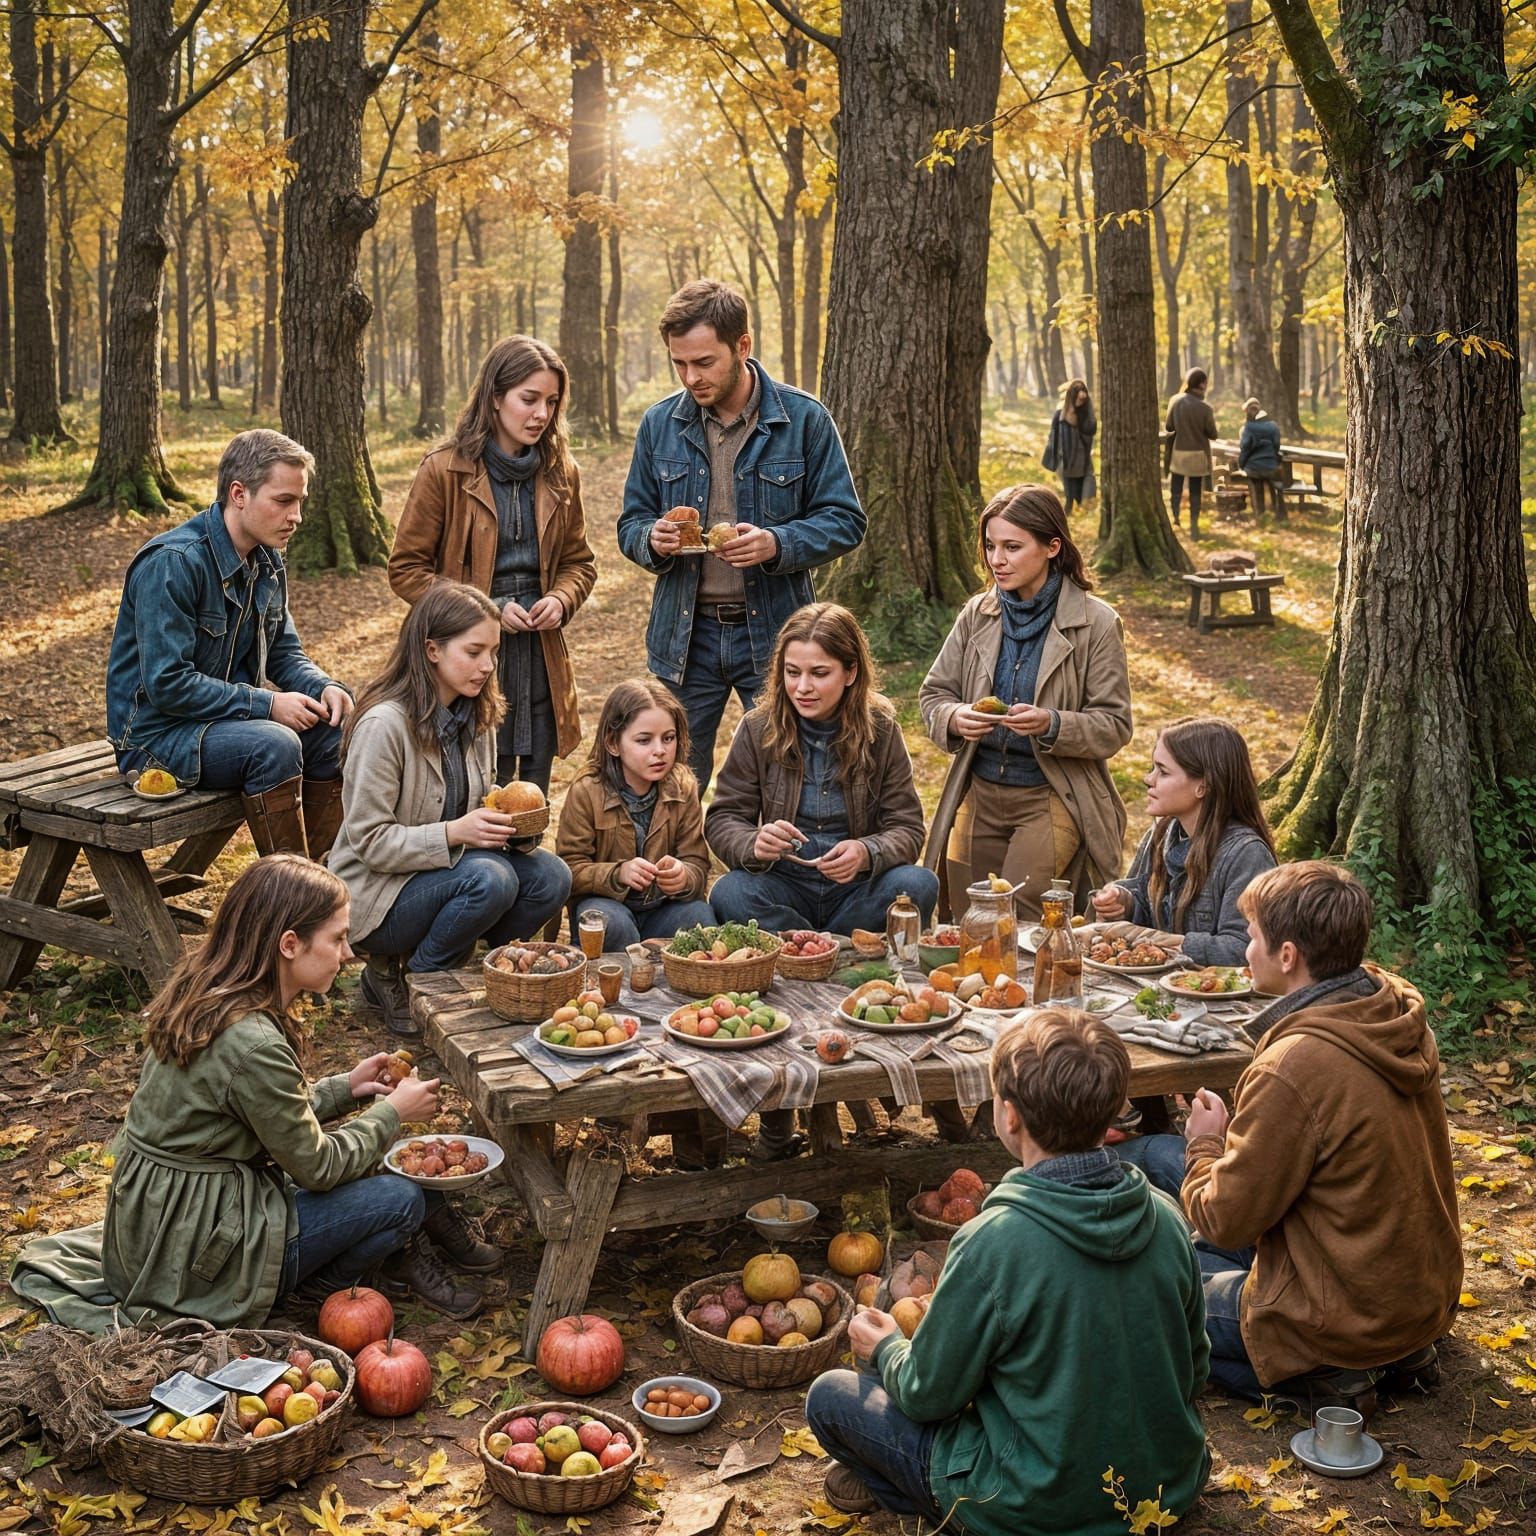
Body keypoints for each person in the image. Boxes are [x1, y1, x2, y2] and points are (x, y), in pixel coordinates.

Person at [804, 1009, 1210, 1531]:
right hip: (1163, 1491)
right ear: (1113, 1114)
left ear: (1009, 1115)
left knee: (831, 1398)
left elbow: (930, 1396)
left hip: (1031, 1505)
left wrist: (885, 1349)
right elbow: (1194, 1373)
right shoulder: (1167, 1217)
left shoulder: (992, 1242)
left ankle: (922, 1497)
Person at [1117, 862, 1462, 1412]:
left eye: (1251, 937)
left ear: (1287, 955)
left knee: (1139, 1282)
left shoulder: (1294, 1065)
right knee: (1155, 1158)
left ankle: (1322, 1371)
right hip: (1414, 1291)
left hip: (1336, 1313)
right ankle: (1388, 1353)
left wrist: (1206, 1143)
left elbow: (1225, 1219)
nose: (1244, 951)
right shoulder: (1389, 1009)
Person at [99, 856, 494, 1325]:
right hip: (190, 1253)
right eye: (338, 938)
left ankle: (416, 1238)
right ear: (290, 944)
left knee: (384, 1164)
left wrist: (347, 1088)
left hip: (156, 1223)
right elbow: (319, 1168)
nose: (349, 954)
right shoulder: (253, 1041)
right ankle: (316, 1287)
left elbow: (259, 1110)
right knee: (398, 1199)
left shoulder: (211, 992)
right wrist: (391, 1113)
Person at [617, 279, 865, 793]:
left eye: (704, 362)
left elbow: (845, 519)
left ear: (743, 347)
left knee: (787, 772)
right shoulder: (659, 424)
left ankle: (776, 871)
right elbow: (630, 523)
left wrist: (778, 544)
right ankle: (675, 871)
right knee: (672, 779)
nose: (691, 377)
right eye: (679, 364)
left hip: (776, 634)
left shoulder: (804, 420)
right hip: (686, 636)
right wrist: (652, 539)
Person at [328, 583, 571, 1036]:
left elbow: (473, 797)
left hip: (449, 872)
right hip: (377, 893)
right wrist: (457, 833)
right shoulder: (385, 726)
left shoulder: (476, 714)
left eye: (494, 652)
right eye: (474, 651)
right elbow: (369, 841)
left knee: (551, 876)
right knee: (491, 878)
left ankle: (485, 972)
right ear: (432, 650)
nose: (488, 666)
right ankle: (411, 979)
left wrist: (515, 822)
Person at [106, 429, 353, 859]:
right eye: (283, 501)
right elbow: (168, 684)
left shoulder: (268, 560)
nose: (296, 516)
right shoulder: (173, 564)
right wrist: (268, 705)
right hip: (155, 738)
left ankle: (319, 879)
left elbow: (284, 652)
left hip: (224, 725)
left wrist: (323, 687)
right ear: (239, 493)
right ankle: (288, 894)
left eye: (300, 502)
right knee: (275, 745)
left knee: (337, 732)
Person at [388, 335, 596, 794]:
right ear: (496, 397)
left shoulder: (563, 472)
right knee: (476, 782)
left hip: (540, 653)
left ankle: (528, 862)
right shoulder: (445, 470)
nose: (541, 413)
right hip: (469, 651)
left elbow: (579, 562)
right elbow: (406, 569)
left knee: (533, 789)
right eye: (529, 399)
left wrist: (561, 600)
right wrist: (487, 609)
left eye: (551, 402)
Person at [921, 484, 1132, 924]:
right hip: (977, 790)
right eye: (991, 546)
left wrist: (1051, 723)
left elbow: (1114, 725)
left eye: (1012, 547)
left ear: (1052, 547)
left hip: (1050, 793)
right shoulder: (976, 613)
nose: (997, 559)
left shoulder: (1097, 624)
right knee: (967, 919)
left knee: (1018, 916)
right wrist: (957, 717)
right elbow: (933, 695)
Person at [707, 603, 938, 937]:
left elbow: (907, 828)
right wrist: (754, 843)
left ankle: (813, 943)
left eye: (819, 673)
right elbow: (723, 818)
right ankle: (829, 944)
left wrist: (866, 852)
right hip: (782, 884)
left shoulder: (882, 730)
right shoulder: (758, 727)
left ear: (850, 673)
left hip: (855, 890)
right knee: (731, 892)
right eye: (792, 672)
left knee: (917, 884)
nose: (802, 687)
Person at [1090, 717, 1277, 965]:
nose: (1149, 779)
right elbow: (1146, 903)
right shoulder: (1160, 835)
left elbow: (1245, 948)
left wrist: (1167, 942)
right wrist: (1124, 902)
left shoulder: (1246, 855)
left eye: (1163, 771)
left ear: (1203, 786)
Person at [557, 680, 715, 951]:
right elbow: (568, 871)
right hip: (606, 905)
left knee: (700, 918)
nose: (660, 751)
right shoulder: (587, 790)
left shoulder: (684, 785)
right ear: (613, 743)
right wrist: (618, 873)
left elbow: (698, 863)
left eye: (668, 738)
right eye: (644, 740)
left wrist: (684, 875)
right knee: (611, 924)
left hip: (663, 908)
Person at [1165, 367, 1218, 536]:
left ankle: (1175, 518)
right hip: (1198, 455)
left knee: (1176, 488)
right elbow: (1213, 434)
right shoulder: (1205, 408)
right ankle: (1194, 526)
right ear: (1202, 384)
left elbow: (1169, 426)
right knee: (1196, 491)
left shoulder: (1175, 401)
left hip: (1179, 452)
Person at [1043, 377, 1096, 513]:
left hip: (1083, 463)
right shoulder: (1060, 416)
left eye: (1083, 399)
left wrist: (1085, 407)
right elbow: (1053, 437)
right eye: (1078, 397)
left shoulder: (1085, 415)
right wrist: (1051, 459)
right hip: (1065, 463)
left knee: (1084, 499)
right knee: (1069, 498)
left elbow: (1091, 429)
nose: (1081, 401)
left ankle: (1082, 514)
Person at [1237, 397, 1285, 519]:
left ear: (1247, 412)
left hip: (1254, 468)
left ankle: (1260, 515)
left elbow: (1245, 448)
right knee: (1275, 486)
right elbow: (1276, 446)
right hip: (1270, 466)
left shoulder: (1247, 428)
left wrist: (1241, 464)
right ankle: (1278, 514)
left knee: (1257, 489)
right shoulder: (1273, 426)